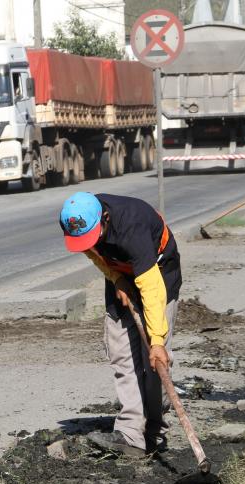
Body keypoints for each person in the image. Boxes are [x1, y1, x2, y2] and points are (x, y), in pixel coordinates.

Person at [59, 192, 182, 457]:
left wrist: (158, 341)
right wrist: (116, 278)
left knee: (153, 361)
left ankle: (154, 429)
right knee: (121, 354)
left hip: (158, 273)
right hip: (121, 273)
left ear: (105, 218)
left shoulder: (132, 225)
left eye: (96, 232)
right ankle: (131, 434)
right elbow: (91, 251)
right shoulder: (75, 221)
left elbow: (150, 287)